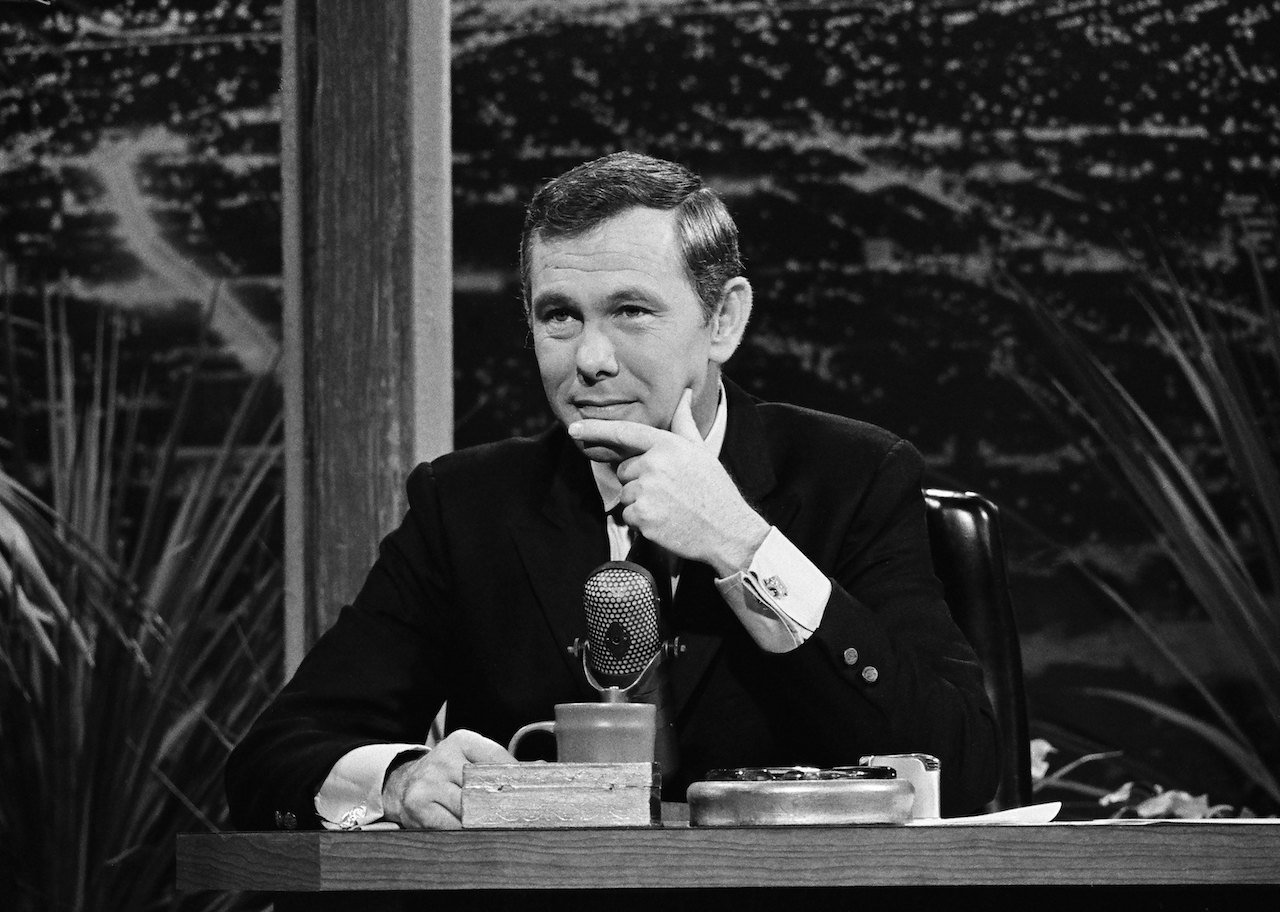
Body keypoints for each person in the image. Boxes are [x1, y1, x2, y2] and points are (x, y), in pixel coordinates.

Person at [225, 152, 999, 831]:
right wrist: (399, 781)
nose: (590, 358)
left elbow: (957, 768)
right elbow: (273, 758)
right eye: (559, 317)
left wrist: (741, 543)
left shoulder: (852, 478)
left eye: (630, 311)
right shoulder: (468, 508)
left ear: (722, 320)